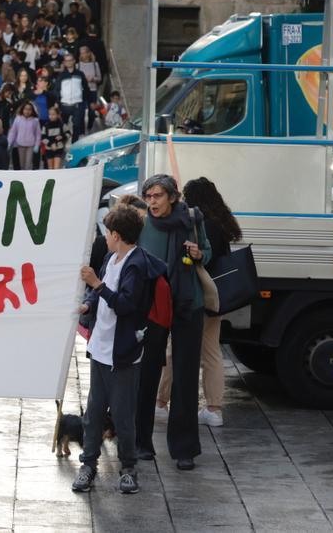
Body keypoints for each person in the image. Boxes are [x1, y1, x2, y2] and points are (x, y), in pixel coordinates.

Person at [72, 205, 165, 495]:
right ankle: (88, 464)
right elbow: (99, 296)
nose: (105, 239)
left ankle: (128, 467)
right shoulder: (112, 259)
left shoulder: (135, 265)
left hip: (123, 352)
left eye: (108, 234)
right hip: (101, 348)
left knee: (123, 416)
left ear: (116, 235)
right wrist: (89, 302)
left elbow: (125, 304)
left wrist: (96, 285)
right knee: (94, 412)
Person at [135, 174, 211, 471]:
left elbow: (208, 250)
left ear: (173, 197)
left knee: (186, 375)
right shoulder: (142, 222)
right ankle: (141, 442)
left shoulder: (192, 218)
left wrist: (199, 252)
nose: (152, 202)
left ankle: (184, 449)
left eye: (157, 196)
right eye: (149, 196)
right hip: (153, 305)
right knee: (147, 372)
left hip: (187, 303)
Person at [156, 177, 241, 428]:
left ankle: (160, 402)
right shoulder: (222, 223)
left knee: (173, 350)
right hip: (215, 296)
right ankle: (214, 409)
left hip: (195, 296)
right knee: (212, 353)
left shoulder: (199, 224)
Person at [56, 53, 90, 141]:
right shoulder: (61, 76)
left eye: (70, 60)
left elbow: (86, 88)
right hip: (64, 105)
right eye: (66, 60)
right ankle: (61, 146)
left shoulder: (80, 74)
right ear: (64, 62)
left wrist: (84, 101)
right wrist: (58, 103)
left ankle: (74, 146)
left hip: (77, 104)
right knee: (62, 126)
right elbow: (57, 90)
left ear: (74, 61)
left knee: (77, 126)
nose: (69, 62)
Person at [7, 100, 41, 170]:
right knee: (21, 164)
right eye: (25, 109)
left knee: (28, 164)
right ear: (22, 110)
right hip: (20, 144)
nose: (27, 111)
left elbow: (38, 134)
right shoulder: (18, 119)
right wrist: (9, 142)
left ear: (32, 111)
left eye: (29, 110)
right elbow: (13, 132)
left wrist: (37, 145)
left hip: (30, 145)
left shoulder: (35, 121)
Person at [41, 105, 71, 170]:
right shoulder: (46, 126)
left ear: (58, 115)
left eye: (53, 114)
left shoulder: (62, 125)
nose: (51, 116)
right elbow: (43, 138)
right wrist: (51, 144)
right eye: (50, 114)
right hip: (49, 149)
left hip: (59, 148)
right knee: (50, 168)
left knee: (56, 167)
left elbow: (68, 133)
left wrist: (62, 136)